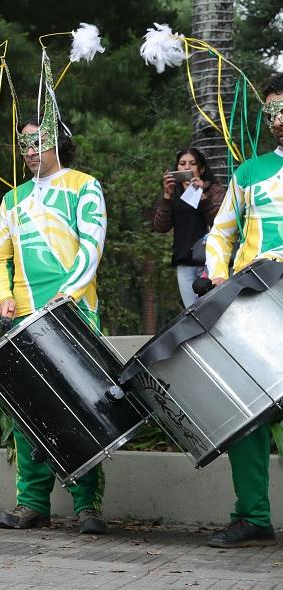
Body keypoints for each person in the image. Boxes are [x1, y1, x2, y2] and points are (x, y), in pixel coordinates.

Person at [0, 116, 109, 535]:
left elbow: (91, 246)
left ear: (58, 141)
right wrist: (3, 294)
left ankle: (87, 505)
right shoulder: (12, 200)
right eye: (23, 144)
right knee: (28, 413)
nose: (29, 150)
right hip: (24, 318)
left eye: (37, 142)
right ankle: (32, 503)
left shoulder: (84, 186)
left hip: (73, 314)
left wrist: (69, 293)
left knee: (81, 409)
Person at [202, 73, 283, 549]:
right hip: (251, 304)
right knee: (245, 414)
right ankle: (252, 514)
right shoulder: (248, 172)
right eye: (271, 111)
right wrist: (215, 275)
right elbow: (220, 233)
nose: (278, 120)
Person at [152, 147, 226, 307]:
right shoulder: (174, 192)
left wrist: (202, 196)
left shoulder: (213, 190)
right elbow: (160, 226)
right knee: (192, 311)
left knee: (214, 307)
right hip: (184, 261)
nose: (187, 167)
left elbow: (222, 222)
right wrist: (167, 196)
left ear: (202, 168)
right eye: (182, 163)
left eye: (192, 163)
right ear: (176, 168)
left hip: (211, 261)